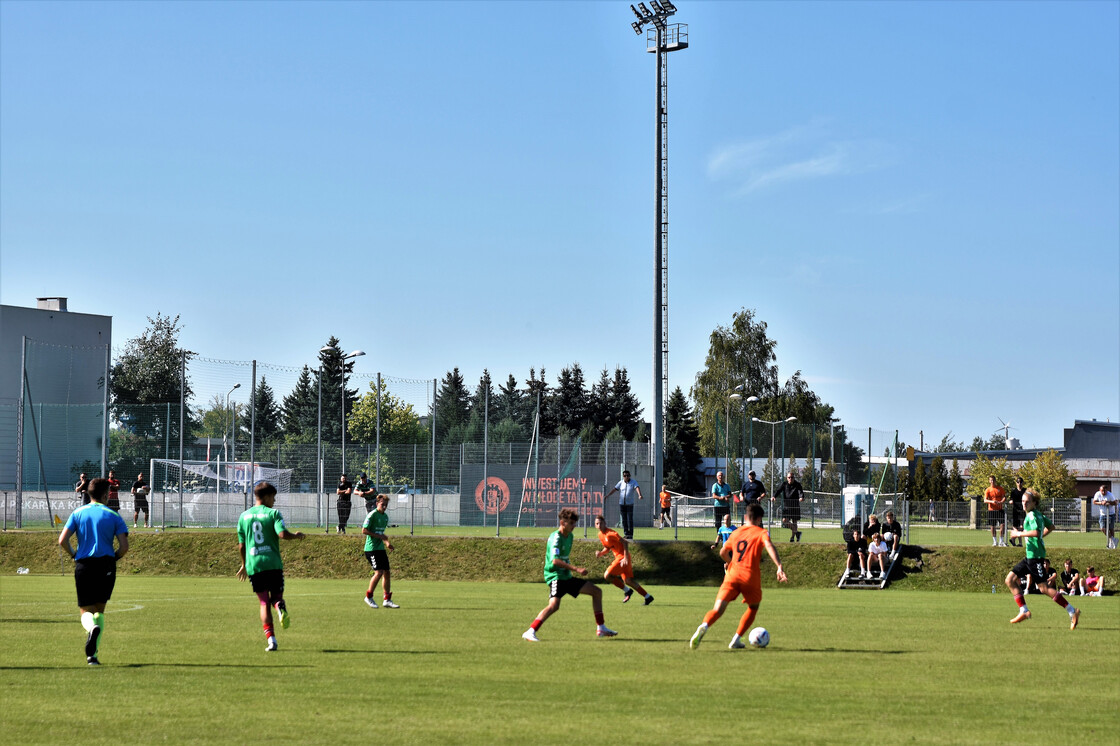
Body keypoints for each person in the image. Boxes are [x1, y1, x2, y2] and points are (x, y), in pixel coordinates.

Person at [690, 502, 787, 650]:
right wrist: (779, 566)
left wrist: (731, 562)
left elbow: (722, 552)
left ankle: (704, 625)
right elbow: (769, 546)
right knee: (753, 608)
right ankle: (736, 639)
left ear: (745, 516)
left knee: (717, 609)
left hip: (732, 575)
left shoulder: (736, 533)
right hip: (750, 577)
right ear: (760, 519)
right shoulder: (761, 532)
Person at [58, 477, 129, 665]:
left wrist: (74, 554)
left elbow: (62, 541)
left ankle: (91, 631)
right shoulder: (113, 516)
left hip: (84, 565)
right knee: (100, 610)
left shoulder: (78, 513)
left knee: (85, 610)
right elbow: (124, 546)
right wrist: (114, 558)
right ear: (106, 495)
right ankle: (93, 655)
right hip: (106, 564)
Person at [522, 508, 617, 641]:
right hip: (555, 576)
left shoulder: (570, 536)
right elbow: (555, 561)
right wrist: (576, 569)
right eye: (571, 523)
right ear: (562, 522)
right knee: (554, 606)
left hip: (566, 577)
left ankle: (601, 628)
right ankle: (531, 631)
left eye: (574, 523)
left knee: (596, 592)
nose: (574, 526)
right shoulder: (556, 538)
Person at [236, 481, 304, 652]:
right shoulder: (273, 513)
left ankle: (271, 641)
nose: (274, 501)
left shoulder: (243, 516)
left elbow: (241, 546)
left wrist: (244, 565)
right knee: (276, 598)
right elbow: (282, 534)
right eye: (273, 497)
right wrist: (296, 536)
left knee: (263, 602)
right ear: (266, 497)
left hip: (254, 565)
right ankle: (279, 606)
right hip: (273, 563)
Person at [1005, 489, 1079, 629]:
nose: (1024, 504)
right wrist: (1039, 537)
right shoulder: (1039, 514)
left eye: (1027, 502)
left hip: (1035, 558)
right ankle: (1024, 611)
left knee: (1044, 588)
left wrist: (1018, 534)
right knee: (1009, 580)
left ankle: (1072, 611)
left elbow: (1036, 532)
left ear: (1034, 503)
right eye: (1023, 501)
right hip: (1029, 557)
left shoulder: (1032, 515)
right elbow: (1051, 527)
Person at [594, 514, 653, 605]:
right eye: (597, 524)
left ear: (605, 523)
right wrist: (601, 553)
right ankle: (647, 597)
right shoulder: (600, 535)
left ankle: (627, 591)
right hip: (622, 558)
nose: (599, 525)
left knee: (607, 575)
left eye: (601, 523)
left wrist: (625, 557)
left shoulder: (611, 534)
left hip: (622, 557)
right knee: (628, 581)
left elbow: (625, 542)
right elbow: (608, 548)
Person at [362, 494, 399, 608]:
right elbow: (364, 530)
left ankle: (387, 599)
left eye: (386, 505)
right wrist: (378, 536)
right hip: (371, 549)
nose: (384, 507)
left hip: (380, 549)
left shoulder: (385, 517)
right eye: (382, 504)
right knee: (379, 573)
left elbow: (381, 533)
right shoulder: (372, 515)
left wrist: (387, 543)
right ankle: (368, 597)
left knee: (387, 572)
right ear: (377, 503)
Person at [603, 470, 642, 540]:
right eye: (625, 476)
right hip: (622, 504)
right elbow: (614, 489)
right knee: (624, 520)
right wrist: (608, 495)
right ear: (623, 476)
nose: (626, 477)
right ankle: (626, 534)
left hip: (629, 504)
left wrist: (639, 495)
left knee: (630, 519)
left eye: (627, 475)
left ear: (629, 476)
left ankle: (631, 534)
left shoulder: (633, 482)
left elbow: (637, 488)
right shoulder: (621, 483)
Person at [773, 471, 804, 542]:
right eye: (789, 477)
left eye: (792, 477)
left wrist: (801, 497)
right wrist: (774, 496)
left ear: (794, 478)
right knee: (784, 521)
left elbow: (800, 492)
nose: (790, 479)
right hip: (787, 506)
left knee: (794, 522)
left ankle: (793, 537)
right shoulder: (784, 484)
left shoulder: (797, 484)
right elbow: (778, 490)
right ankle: (797, 533)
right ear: (787, 478)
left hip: (795, 506)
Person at [1091, 484, 1117, 549]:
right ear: (1100, 490)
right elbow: (1094, 502)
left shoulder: (1110, 495)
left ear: (1107, 490)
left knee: (1111, 529)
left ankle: (1111, 543)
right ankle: (1112, 539)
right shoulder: (1097, 494)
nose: (1103, 492)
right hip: (1102, 514)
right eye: (1102, 491)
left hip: (1111, 514)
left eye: (1104, 491)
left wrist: (1108, 502)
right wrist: (1101, 503)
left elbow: (1115, 503)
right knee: (1102, 528)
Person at [983, 475, 1006, 547]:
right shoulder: (988, 490)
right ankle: (995, 541)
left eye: (993, 480)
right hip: (992, 510)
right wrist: (992, 502)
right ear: (989, 481)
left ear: (995, 481)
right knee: (992, 526)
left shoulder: (1000, 488)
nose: (992, 482)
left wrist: (1001, 502)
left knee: (1003, 524)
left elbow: (1004, 497)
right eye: (991, 480)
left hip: (1000, 509)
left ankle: (1001, 541)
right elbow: (985, 500)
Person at [1008, 476, 1027, 547]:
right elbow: (1011, 499)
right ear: (1016, 483)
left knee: (1021, 527)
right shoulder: (1014, 492)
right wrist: (1011, 501)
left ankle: (1013, 539)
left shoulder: (1025, 491)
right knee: (1015, 527)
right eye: (1018, 482)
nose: (1019, 483)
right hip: (1016, 511)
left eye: (1021, 482)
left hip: (1023, 511)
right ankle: (1020, 543)